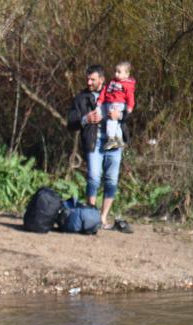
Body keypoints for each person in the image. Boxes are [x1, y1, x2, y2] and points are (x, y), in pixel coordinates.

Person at [67, 65, 132, 232]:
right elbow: (71, 122)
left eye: (92, 79)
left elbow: (129, 111)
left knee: (111, 180)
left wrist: (120, 116)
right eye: (87, 79)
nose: (89, 82)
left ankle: (103, 217)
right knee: (94, 177)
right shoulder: (81, 98)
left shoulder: (117, 89)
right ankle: (91, 215)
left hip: (115, 142)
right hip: (93, 143)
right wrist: (85, 118)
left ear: (102, 80)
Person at [97, 61, 135, 151]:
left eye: (119, 72)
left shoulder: (127, 85)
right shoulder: (112, 82)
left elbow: (130, 97)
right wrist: (100, 100)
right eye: (115, 71)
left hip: (118, 103)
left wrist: (130, 107)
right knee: (116, 123)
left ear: (127, 74)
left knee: (112, 119)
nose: (116, 74)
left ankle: (111, 139)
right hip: (108, 102)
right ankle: (119, 139)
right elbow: (104, 91)